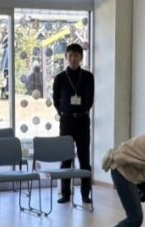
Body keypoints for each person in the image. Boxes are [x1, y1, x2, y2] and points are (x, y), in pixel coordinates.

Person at [52, 43, 94, 204]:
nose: (73, 58)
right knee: (66, 159)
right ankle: (65, 194)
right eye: (70, 55)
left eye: (76, 55)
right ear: (66, 57)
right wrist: (63, 113)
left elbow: (90, 99)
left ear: (81, 58)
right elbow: (56, 100)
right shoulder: (60, 78)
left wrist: (82, 111)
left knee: (84, 158)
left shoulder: (88, 77)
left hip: (82, 120)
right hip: (66, 121)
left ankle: (85, 194)